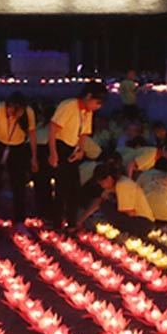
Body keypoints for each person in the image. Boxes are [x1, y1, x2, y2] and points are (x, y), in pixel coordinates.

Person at [0, 92, 38, 231]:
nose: (13, 113)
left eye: (18, 111)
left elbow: (32, 133)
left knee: (19, 185)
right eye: (11, 109)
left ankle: (19, 221)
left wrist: (34, 156)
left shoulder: (28, 112)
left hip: (18, 147)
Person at [47, 84, 105, 229]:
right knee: (61, 187)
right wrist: (53, 153)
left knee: (74, 187)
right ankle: (56, 223)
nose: (98, 107)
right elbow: (53, 129)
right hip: (60, 146)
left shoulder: (87, 112)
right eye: (97, 103)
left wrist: (80, 150)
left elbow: (84, 133)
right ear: (88, 96)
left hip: (73, 148)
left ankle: (72, 222)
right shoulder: (69, 105)